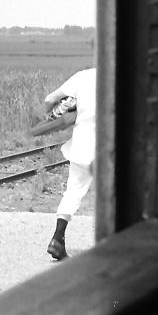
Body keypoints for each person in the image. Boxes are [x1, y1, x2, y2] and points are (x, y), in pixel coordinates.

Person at [43, 67, 97, 260]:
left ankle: (57, 239)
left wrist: (48, 120)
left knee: (73, 192)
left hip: (83, 145)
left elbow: (50, 99)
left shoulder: (83, 76)